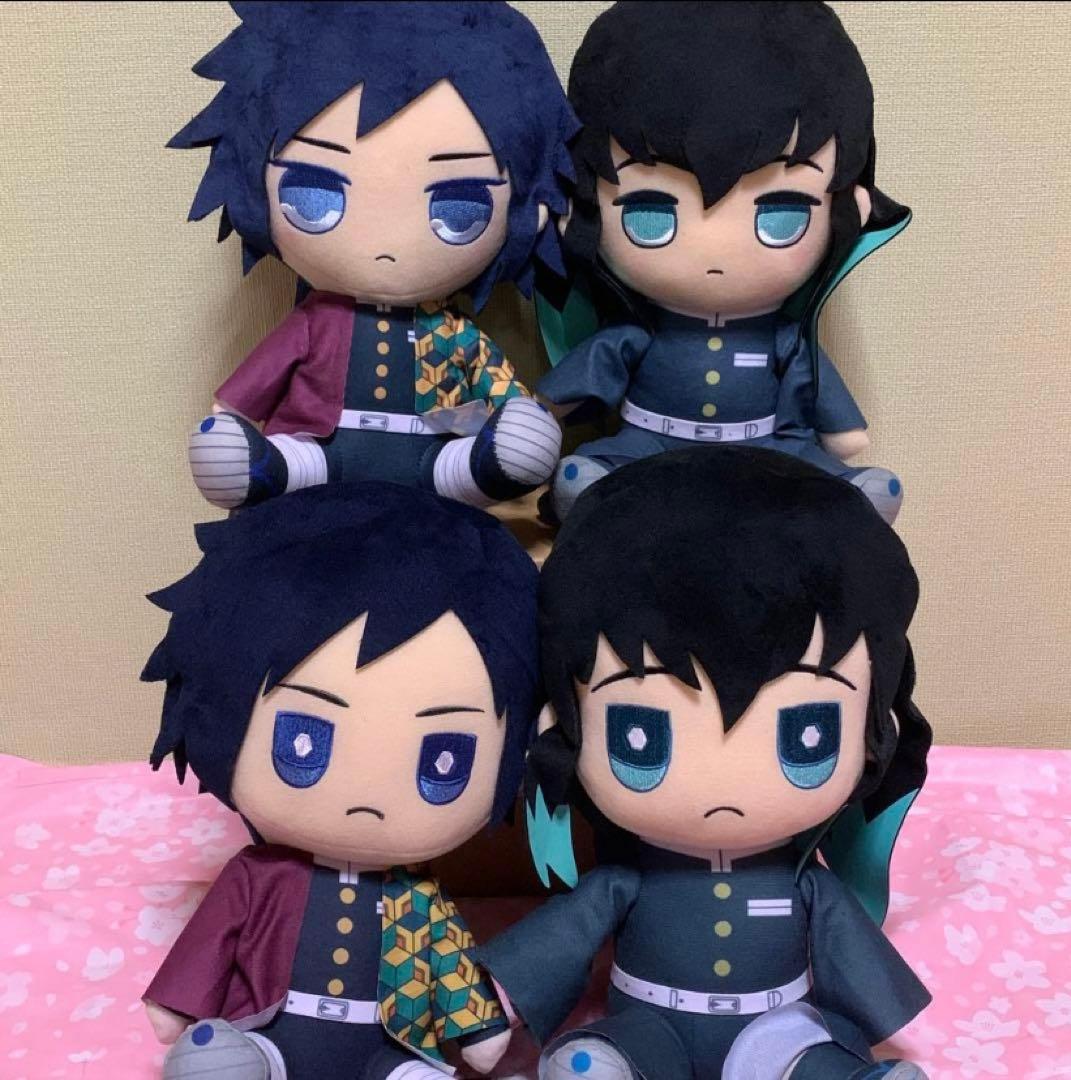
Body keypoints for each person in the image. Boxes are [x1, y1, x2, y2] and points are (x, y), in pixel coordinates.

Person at [480, 446, 933, 1080]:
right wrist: (494, 1000)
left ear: (874, 728)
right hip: (650, 1022)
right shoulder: (623, 883)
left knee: (806, 1060)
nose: (726, 786)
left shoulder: (807, 885)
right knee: (608, 1059)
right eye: (641, 738)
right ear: (563, 725)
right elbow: (562, 938)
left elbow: (854, 958)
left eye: (807, 737)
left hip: (779, 1029)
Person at [141, 483, 540, 1079]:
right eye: (303, 742)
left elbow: (452, 966)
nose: (368, 800)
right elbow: (209, 945)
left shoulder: (420, 900)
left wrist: (479, 1028)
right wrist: (179, 1007)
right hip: (268, 1035)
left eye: (444, 761)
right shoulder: (257, 879)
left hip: (392, 1049)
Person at [173, 2, 578, 511]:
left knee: (489, 453)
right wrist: (230, 415)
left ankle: (486, 468)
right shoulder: (313, 324)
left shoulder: (455, 333)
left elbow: (498, 385)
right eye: (316, 195)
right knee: (294, 463)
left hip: (433, 456)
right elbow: (251, 386)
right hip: (322, 450)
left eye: (458, 207)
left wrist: (518, 417)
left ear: (530, 209)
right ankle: (264, 469)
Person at [538, 2, 911, 524]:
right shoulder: (636, 335)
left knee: (815, 471)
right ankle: (595, 488)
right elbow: (581, 378)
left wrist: (842, 436)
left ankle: (849, 496)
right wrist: (545, 411)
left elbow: (839, 429)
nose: (714, 249)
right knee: (592, 470)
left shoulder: (786, 341)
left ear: (851, 206)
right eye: (651, 215)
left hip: (765, 447)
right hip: (650, 441)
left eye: (780, 215)